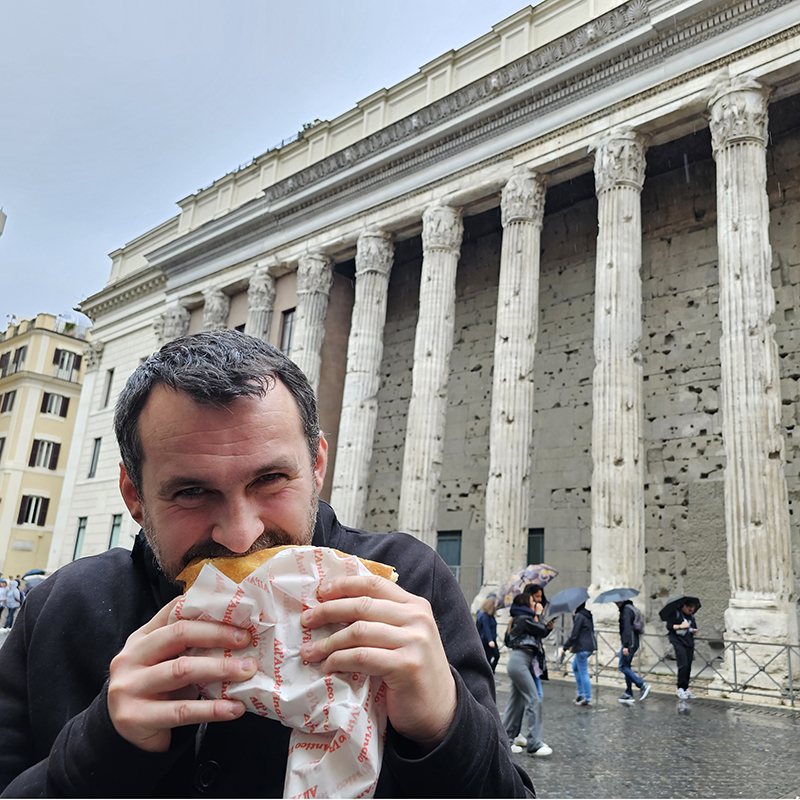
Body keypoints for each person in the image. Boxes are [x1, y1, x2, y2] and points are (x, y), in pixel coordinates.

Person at [0, 330, 533, 798]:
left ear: (317, 465)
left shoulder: (408, 583)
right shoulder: (59, 608)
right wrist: (99, 750)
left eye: (271, 480)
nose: (240, 535)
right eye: (191, 492)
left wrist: (446, 726)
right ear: (133, 495)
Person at [502, 584, 553, 757]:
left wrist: (543, 623)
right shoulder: (524, 618)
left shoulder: (520, 618)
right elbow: (540, 630)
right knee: (534, 699)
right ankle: (534, 743)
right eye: (533, 600)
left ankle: (506, 741)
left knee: (516, 704)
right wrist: (539, 616)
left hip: (520, 661)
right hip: (520, 661)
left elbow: (540, 631)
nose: (536, 602)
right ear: (525, 602)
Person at [615, 599, 651, 705]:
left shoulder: (626, 610)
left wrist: (625, 645)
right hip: (634, 641)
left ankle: (642, 685)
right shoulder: (632, 608)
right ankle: (628, 693)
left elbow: (627, 628)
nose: (616, 604)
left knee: (622, 666)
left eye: (616, 602)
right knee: (627, 667)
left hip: (629, 643)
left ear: (621, 601)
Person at [560, 601, 596, 707]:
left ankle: (587, 697)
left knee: (583, 672)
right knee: (575, 667)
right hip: (589, 646)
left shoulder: (579, 616)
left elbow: (574, 635)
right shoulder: (587, 614)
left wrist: (565, 647)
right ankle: (581, 694)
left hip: (582, 647)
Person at [666, 601, 699, 699]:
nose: (690, 611)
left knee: (688, 665)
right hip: (678, 642)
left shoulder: (691, 617)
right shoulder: (676, 614)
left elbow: (694, 627)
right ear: (684, 606)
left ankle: (686, 687)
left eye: (692, 610)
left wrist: (693, 630)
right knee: (683, 664)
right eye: (689, 609)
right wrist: (681, 626)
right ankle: (680, 687)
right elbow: (669, 626)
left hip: (689, 642)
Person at [476, 595, 499, 672]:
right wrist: (490, 640)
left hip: (491, 639)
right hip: (486, 640)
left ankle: (491, 673)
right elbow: (486, 628)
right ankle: (489, 673)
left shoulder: (490, 616)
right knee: (489, 658)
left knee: (495, 656)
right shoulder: (484, 616)